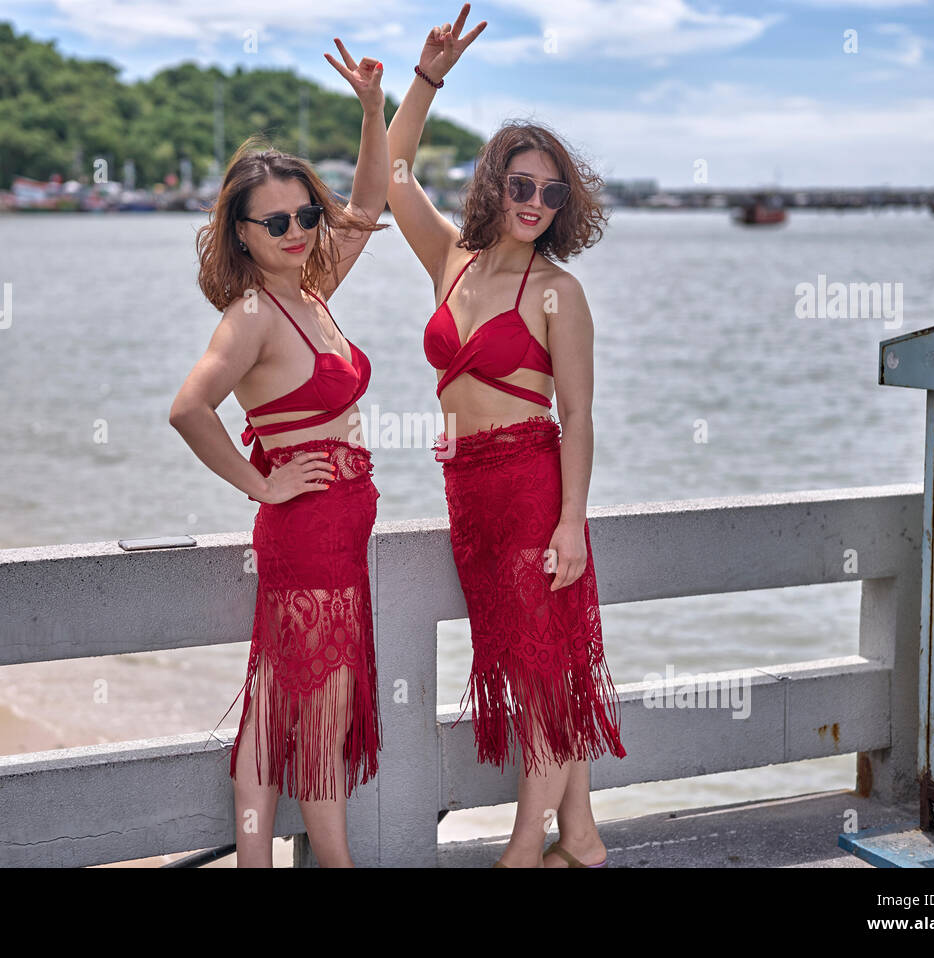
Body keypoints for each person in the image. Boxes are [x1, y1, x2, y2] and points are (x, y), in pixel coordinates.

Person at [386, 4, 626, 868]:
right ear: (495, 186)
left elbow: (580, 417)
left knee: (539, 678)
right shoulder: (451, 261)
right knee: (534, 663)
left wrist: (570, 523)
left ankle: (526, 850)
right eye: (521, 186)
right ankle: (584, 838)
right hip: (467, 495)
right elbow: (394, 173)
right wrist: (426, 78)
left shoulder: (560, 291)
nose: (535, 202)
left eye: (551, 193)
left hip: (531, 491)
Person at [168, 40, 388, 867]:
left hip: (334, 530)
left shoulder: (314, 288)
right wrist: (261, 484)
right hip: (306, 533)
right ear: (242, 231)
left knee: (274, 711)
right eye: (277, 222)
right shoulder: (255, 313)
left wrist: (372, 109)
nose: (297, 230)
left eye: (305, 216)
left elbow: (369, 201)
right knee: (315, 725)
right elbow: (189, 408)